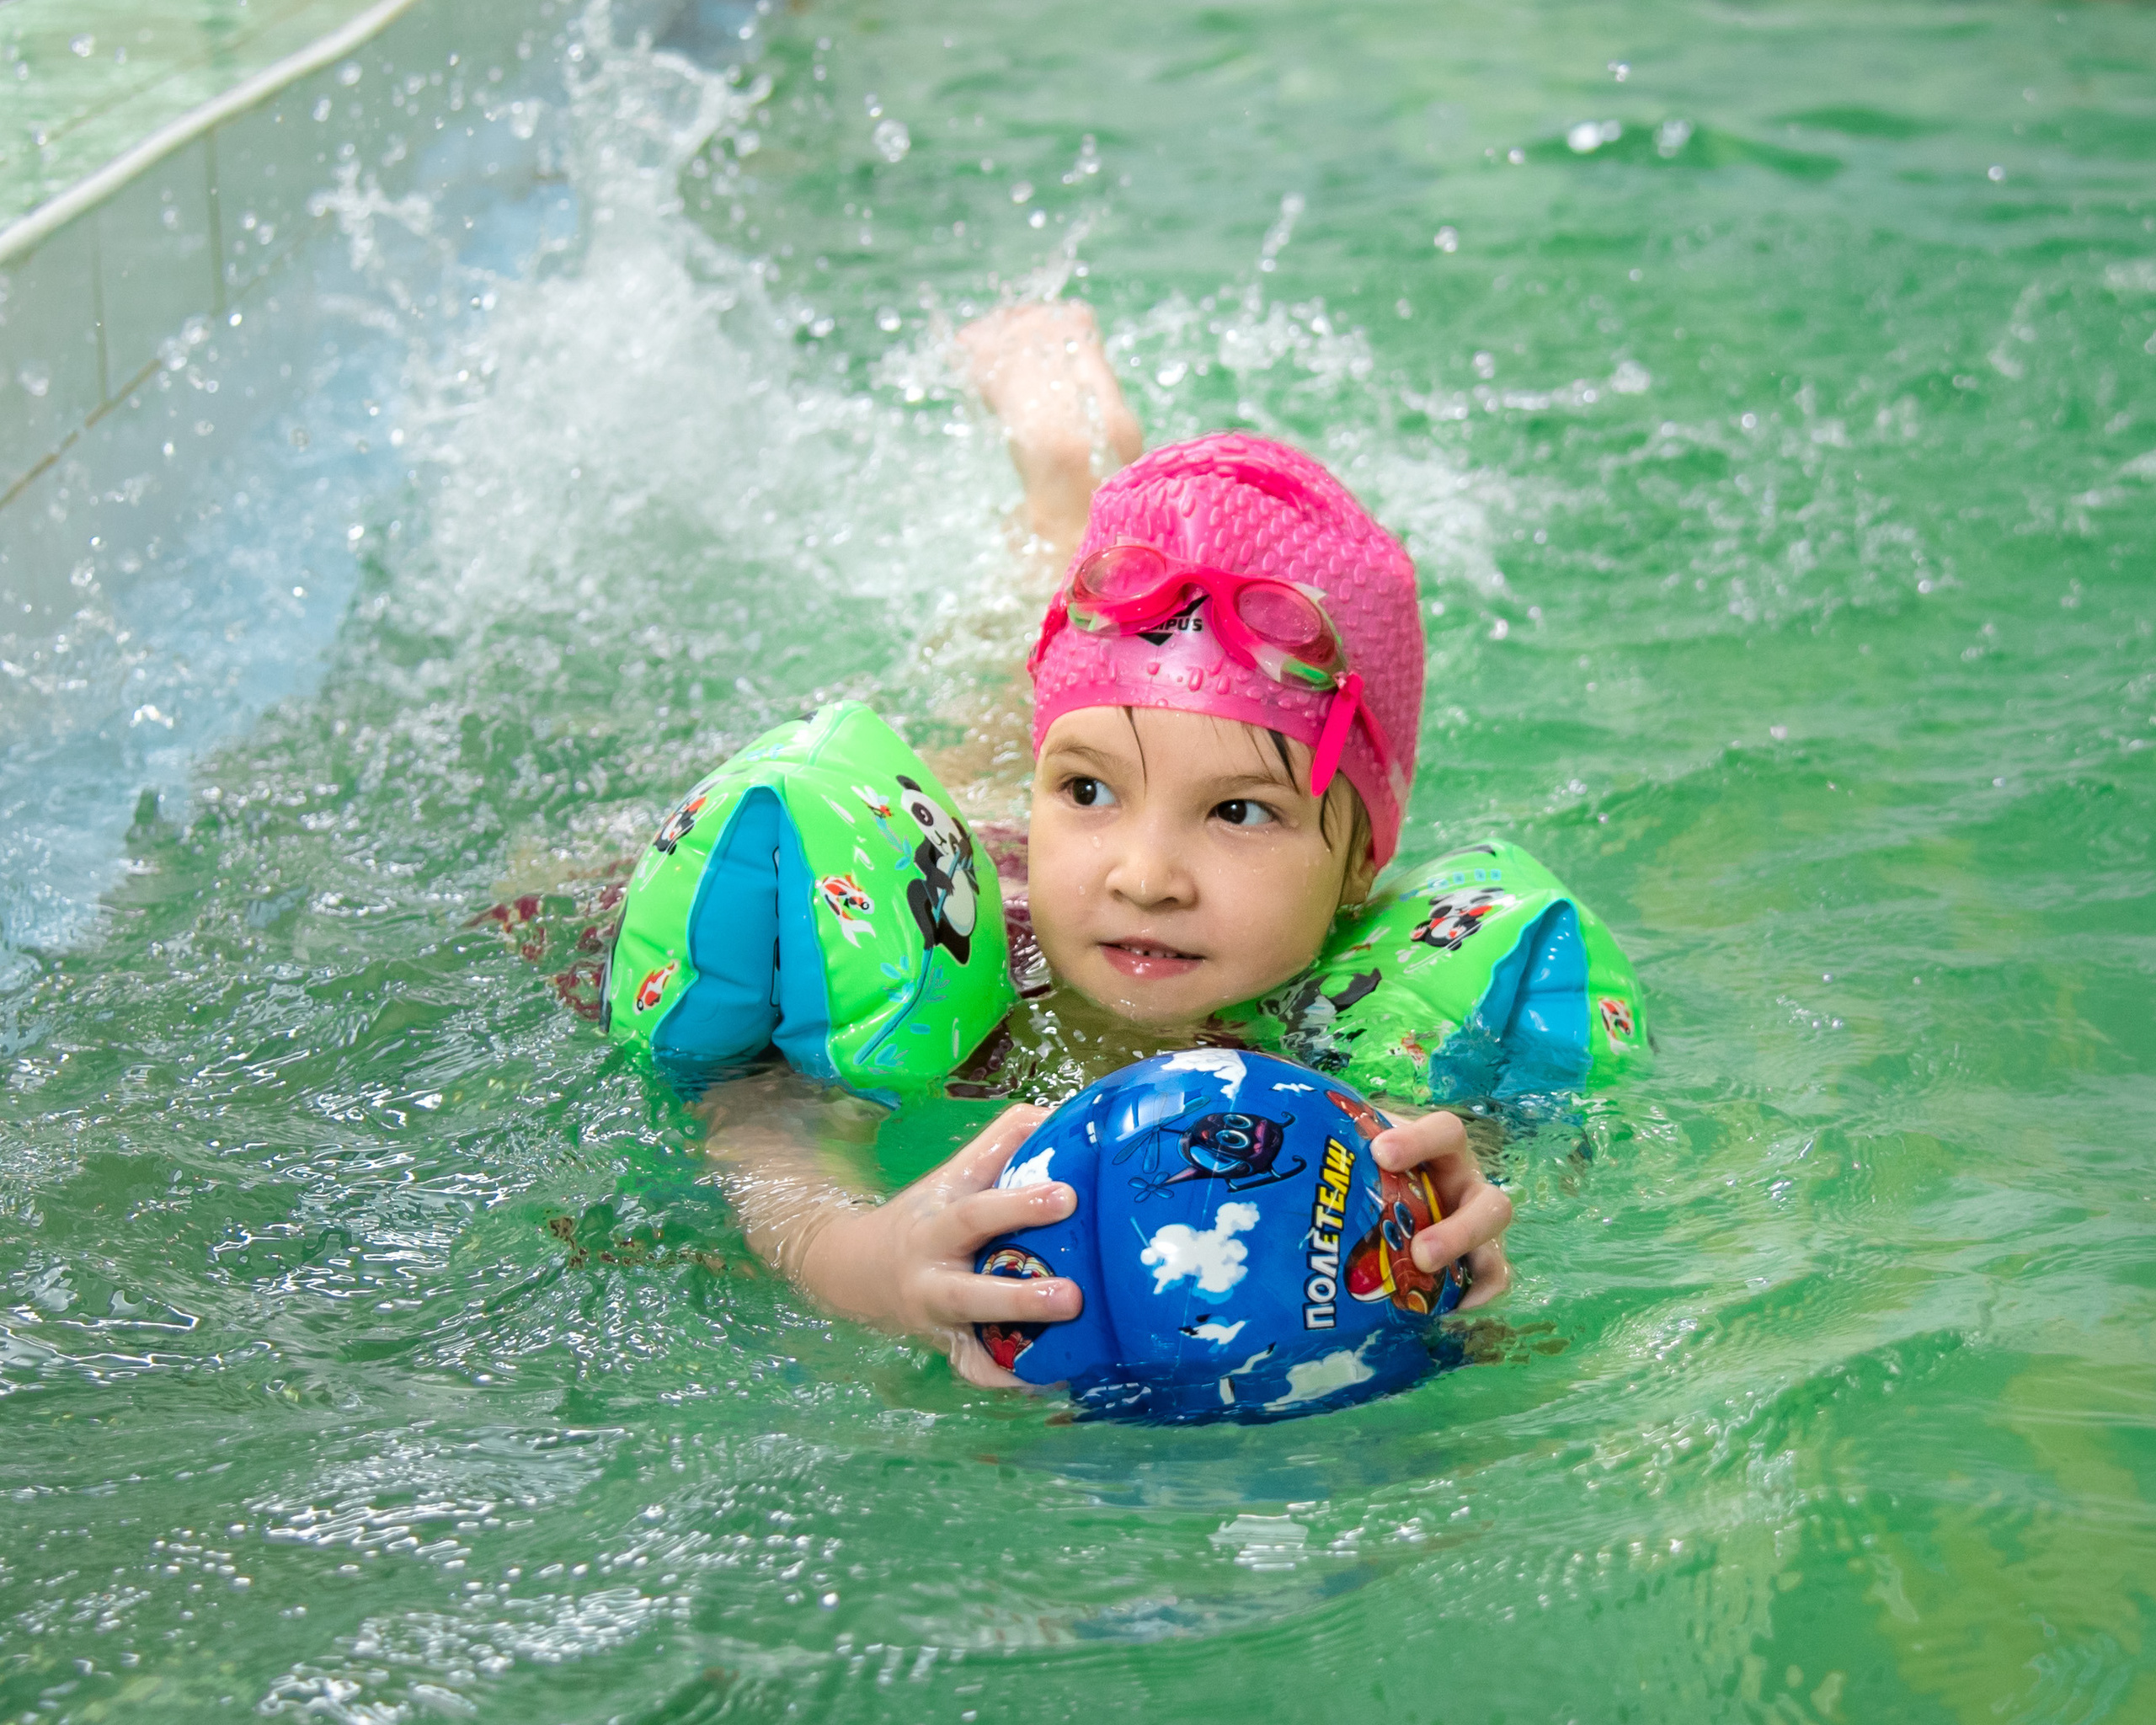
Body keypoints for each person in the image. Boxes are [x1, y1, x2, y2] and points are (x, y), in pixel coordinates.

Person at [698, 301, 1514, 1388]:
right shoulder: (967, 977)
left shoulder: (1369, 1037)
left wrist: (1466, 1224)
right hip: (979, 846)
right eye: (1084, 790)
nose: (1143, 877)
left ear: (1361, 865)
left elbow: (1477, 1206)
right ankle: (1058, 490)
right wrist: (875, 1262)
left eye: (1239, 812)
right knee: (972, 727)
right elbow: (765, 1142)